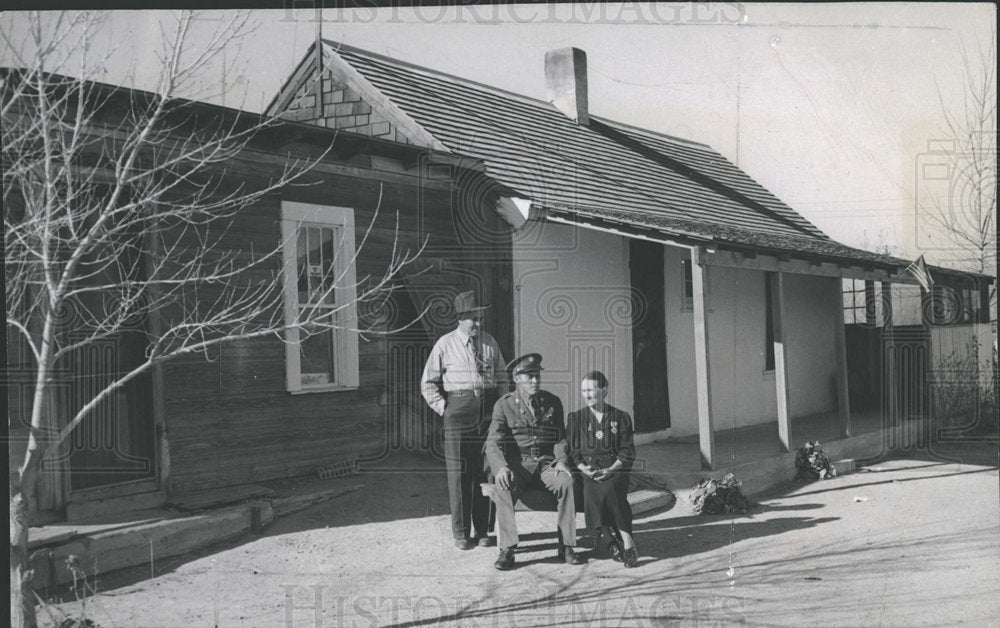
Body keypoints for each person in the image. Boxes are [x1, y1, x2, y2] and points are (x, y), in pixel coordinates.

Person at [421, 290, 507, 550]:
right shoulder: (445, 344)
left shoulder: (489, 342)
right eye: (473, 319)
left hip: (487, 410)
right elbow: (428, 383)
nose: (478, 324)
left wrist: (501, 408)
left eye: (480, 318)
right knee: (459, 473)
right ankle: (461, 532)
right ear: (460, 318)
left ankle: (482, 530)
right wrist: (445, 408)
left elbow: (502, 377)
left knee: (486, 469)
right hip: (458, 410)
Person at [485, 353, 586, 571]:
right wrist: (501, 468)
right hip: (518, 464)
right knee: (503, 486)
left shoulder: (552, 401)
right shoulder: (504, 405)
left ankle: (567, 546)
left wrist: (561, 461)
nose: (535, 380)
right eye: (529, 376)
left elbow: (559, 438)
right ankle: (507, 549)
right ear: (516, 378)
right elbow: (493, 442)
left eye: (537, 376)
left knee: (567, 482)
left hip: (546, 463)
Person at [566, 370, 639, 568]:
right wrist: (583, 469)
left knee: (611, 489)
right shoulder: (576, 419)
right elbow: (572, 451)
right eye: (584, 391)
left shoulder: (621, 417)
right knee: (592, 491)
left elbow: (627, 450)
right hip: (588, 470)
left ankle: (627, 542)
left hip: (614, 468)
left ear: (604, 390)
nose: (587, 395)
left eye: (591, 390)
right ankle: (610, 541)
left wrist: (612, 469)